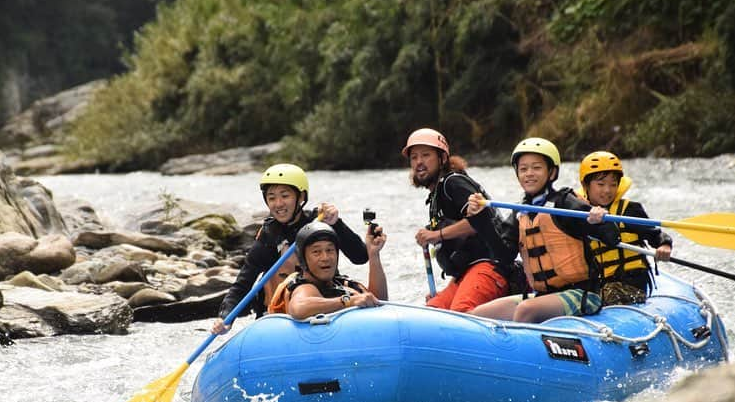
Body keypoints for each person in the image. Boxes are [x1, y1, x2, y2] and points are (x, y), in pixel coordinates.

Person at [466, 137, 620, 323]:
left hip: (582, 293)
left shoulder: (565, 203)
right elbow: (504, 256)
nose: (529, 173)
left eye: (536, 168)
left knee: (525, 310)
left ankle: (521, 350)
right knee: (477, 315)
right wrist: (479, 219)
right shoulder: (520, 212)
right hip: (541, 296)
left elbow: (612, 237)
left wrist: (598, 220)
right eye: (523, 169)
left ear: (552, 172)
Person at [211, 163, 368, 334]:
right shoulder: (268, 235)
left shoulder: (320, 222)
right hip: (281, 316)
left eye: (285, 196)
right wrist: (226, 317)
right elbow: (244, 282)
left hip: (324, 306)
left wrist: (336, 224)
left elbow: (360, 256)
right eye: (271, 198)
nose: (278, 204)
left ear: (300, 197)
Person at [404, 128, 515, 312]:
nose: (419, 162)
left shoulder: (453, 183)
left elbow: (478, 222)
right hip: (464, 273)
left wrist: (436, 235)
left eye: (425, 155)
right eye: (414, 157)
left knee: (460, 312)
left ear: (443, 159)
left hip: (488, 266)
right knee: (433, 310)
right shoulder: (435, 196)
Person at [577, 151, 672, 304]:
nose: (607, 190)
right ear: (586, 185)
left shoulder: (630, 210)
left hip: (632, 283)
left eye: (613, 184)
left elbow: (654, 234)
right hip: (599, 284)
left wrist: (664, 244)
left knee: (609, 293)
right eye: (601, 184)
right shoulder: (579, 214)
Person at [267, 220, 387, 320]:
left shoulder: (342, 284)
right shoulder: (304, 288)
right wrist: (348, 301)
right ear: (302, 259)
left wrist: (373, 254)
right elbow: (298, 308)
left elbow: (379, 301)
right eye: (316, 252)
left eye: (330, 250)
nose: (325, 258)